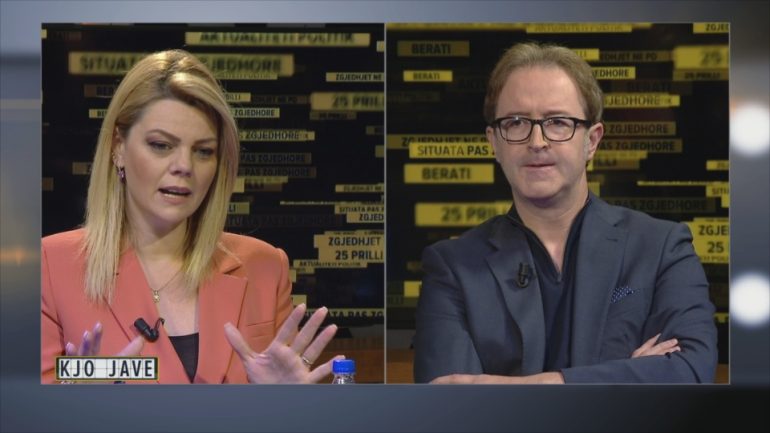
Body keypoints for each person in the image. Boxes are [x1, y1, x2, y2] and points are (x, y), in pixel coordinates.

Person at [413, 42, 718, 384]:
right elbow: (450, 403)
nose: (537, 141)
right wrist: (626, 379)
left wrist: (535, 384)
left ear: (592, 140)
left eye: (558, 122)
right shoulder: (451, 267)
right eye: (516, 122)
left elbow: (690, 371)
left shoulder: (662, 247)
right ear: (494, 142)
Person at [41, 50, 341, 384]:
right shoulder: (50, 268)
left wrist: (287, 406)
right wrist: (78, 400)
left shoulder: (264, 267)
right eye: (161, 145)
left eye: (203, 151)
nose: (184, 166)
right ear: (118, 148)